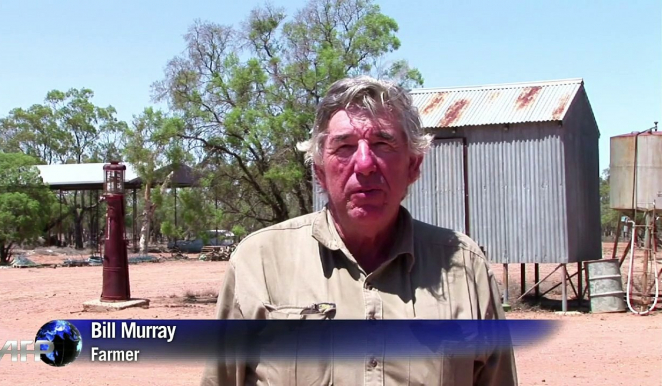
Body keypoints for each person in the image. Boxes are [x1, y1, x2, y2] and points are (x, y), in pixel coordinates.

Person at [202, 76, 518, 385]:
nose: (365, 163)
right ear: (319, 172)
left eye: (383, 143)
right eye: (345, 146)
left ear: (413, 166)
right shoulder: (260, 262)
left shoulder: (464, 267)